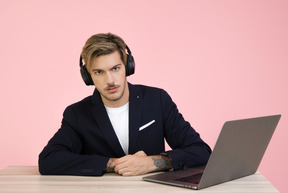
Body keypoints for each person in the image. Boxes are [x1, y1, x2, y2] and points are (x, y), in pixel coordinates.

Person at [38, 33, 211, 176]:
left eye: (115, 68)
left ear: (128, 67)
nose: (110, 80)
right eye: (99, 72)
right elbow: (48, 160)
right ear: (88, 76)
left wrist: (153, 162)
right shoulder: (77, 114)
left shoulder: (157, 100)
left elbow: (202, 151)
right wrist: (112, 164)